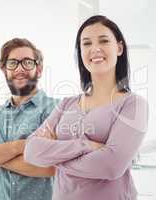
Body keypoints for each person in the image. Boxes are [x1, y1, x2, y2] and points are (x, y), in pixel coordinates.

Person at [24, 15, 148, 200]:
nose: (95, 49)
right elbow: (31, 151)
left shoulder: (133, 104)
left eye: (104, 41)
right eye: (86, 43)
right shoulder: (67, 104)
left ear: (119, 48)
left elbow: (111, 166)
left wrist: (55, 157)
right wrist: (86, 145)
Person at [0, 38, 58, 200]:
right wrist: (20, 147)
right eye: (13, 63)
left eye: (27, 63)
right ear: (4, 70)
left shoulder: (56, 109)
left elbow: (50, 166)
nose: (19, 69)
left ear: (39, 69)